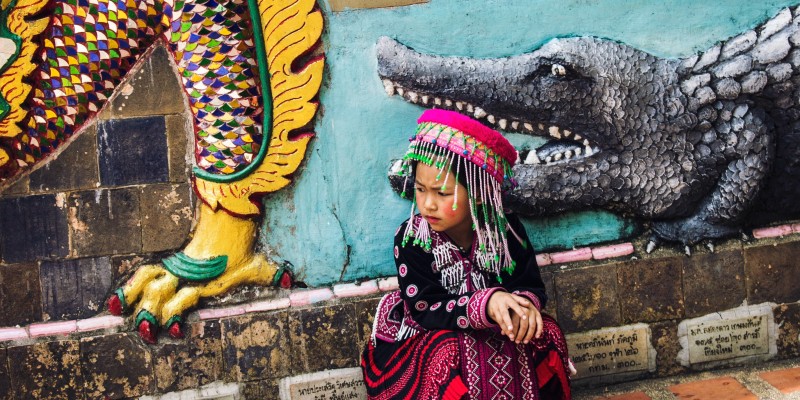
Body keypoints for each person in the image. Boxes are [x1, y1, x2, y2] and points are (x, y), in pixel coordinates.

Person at [361, 109, 574, 399]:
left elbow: (530, 285)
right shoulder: (412, 239)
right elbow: (425, 308)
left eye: (442, 193)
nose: (428, 205)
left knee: (545, 332)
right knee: (447, 351)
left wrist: (521, 308)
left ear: (477, 191)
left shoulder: (506, 231)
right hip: (432, 331)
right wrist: (486, 304)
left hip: (500, 327)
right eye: (421, 190)